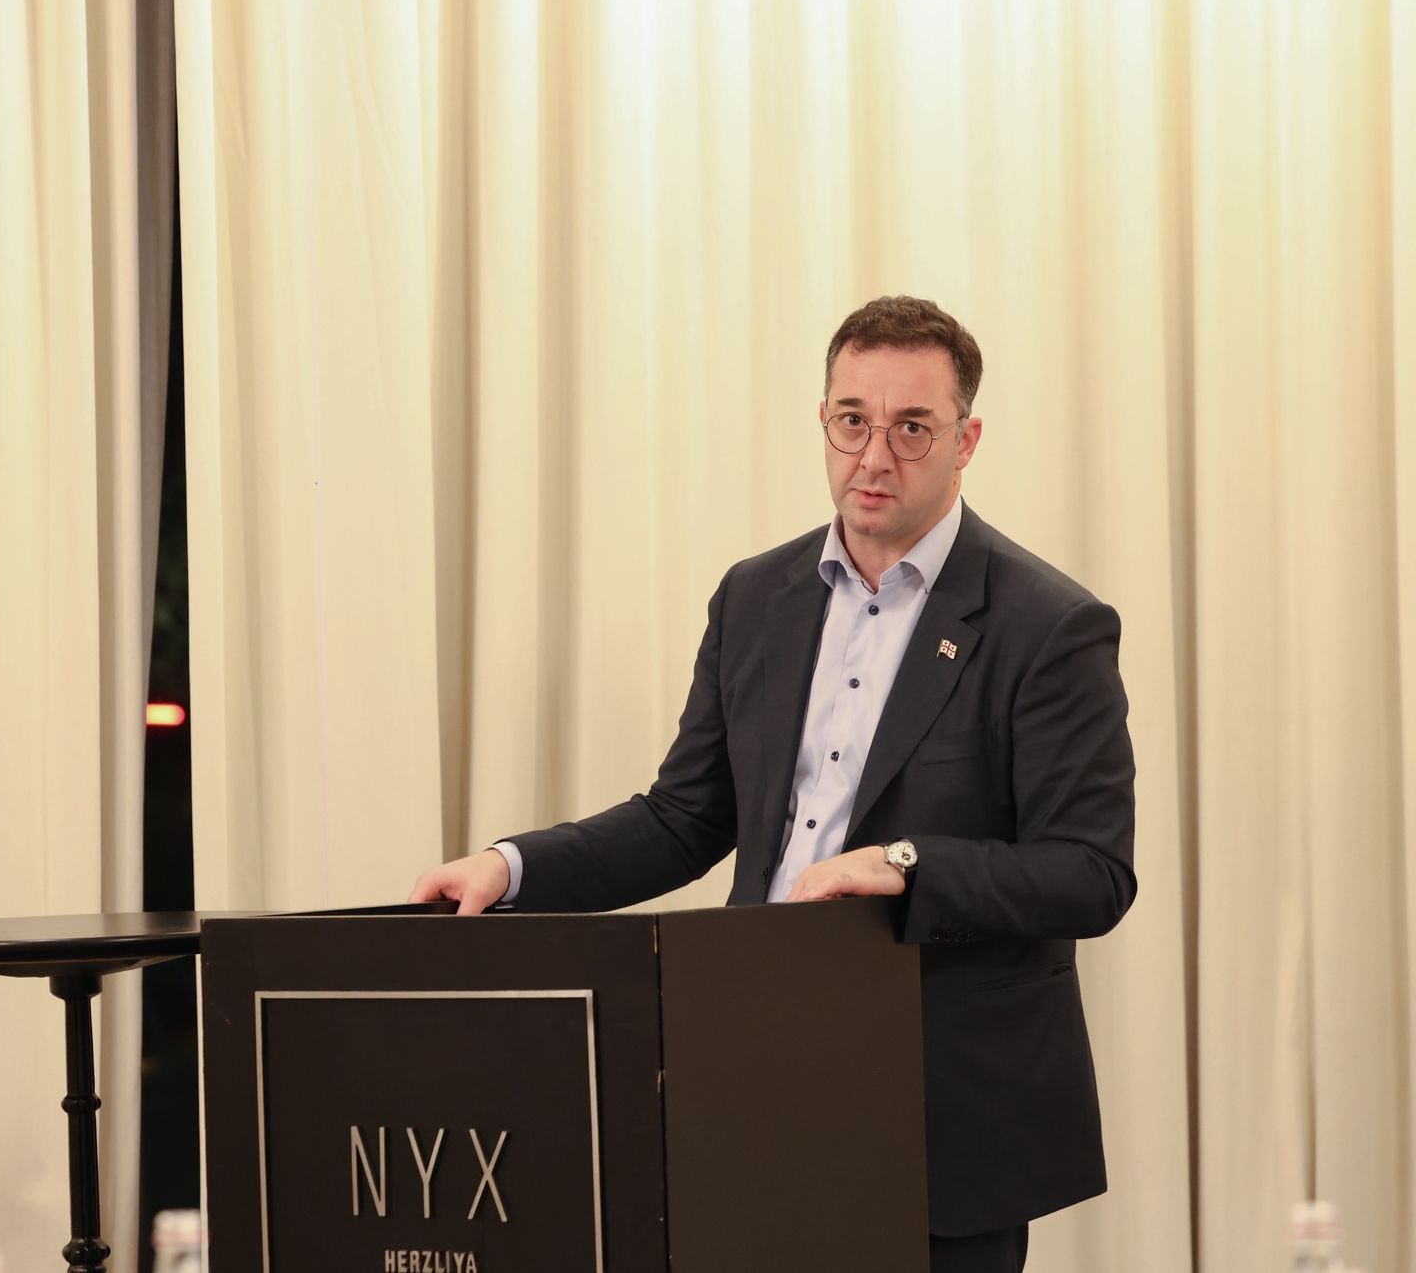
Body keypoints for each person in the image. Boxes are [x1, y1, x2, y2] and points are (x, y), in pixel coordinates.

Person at [410, 295, 1136, 1273]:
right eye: (852, 420)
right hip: (751, 1060)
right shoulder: (756, 596)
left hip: (941, 1098)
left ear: (965, 442)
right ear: (824, 421)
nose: (874, 456)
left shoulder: (1048, 626)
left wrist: (905, 866)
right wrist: (511, 868)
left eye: (911, 428)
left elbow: (1090, 872)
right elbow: (683, 817)